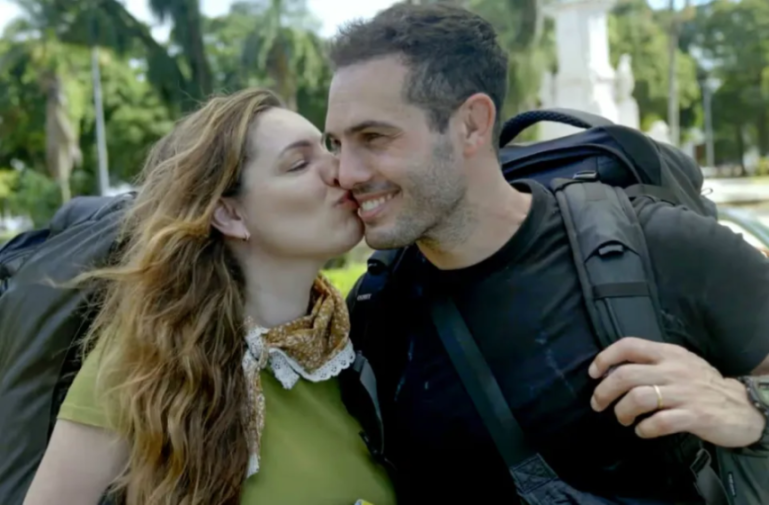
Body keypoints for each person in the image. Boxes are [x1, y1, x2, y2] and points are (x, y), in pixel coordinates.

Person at [323, 3, 769, 504]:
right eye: (335, 143)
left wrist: (750, 408)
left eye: (374, 137)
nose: (346, 173)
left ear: (471, 124)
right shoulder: (374, 310)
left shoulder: (656, 248)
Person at [22, 88, 396, 505]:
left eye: (329, 149)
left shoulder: (358, 342)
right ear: (230, 214)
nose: (341, 171)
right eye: (299, 164)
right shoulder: (145, 360)